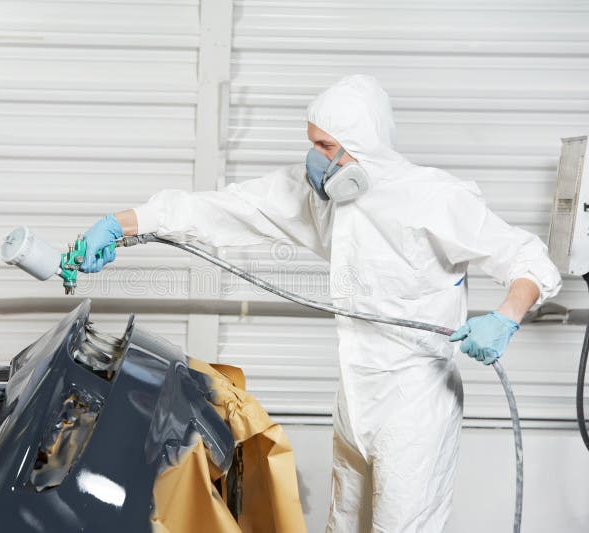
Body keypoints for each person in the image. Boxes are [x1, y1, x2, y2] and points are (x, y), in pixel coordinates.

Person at [79, 75, 562, 532]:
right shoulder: (323, 198)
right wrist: (125, 223)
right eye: (312, 143)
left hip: (416, 404)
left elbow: (527, 258)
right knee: (343, 523)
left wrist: (505, 317)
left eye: (326, 147)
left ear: (363, 149)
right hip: (355, 398)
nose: (315, 158)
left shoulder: (433, 198)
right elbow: (224, 208)